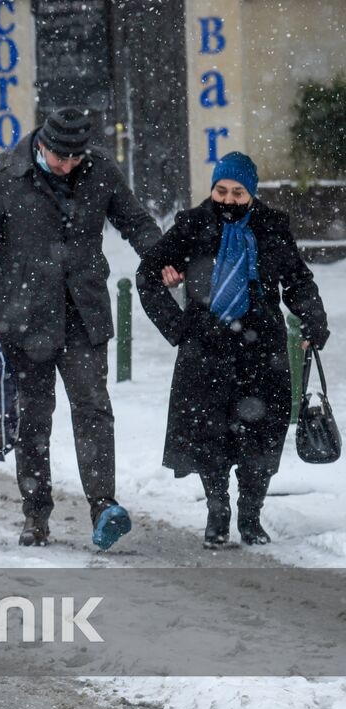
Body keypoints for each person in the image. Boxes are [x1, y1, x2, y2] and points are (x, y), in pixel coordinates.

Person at [0, 107, 161, 549]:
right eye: (59, 158)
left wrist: (163, 257)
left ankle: (103, 506)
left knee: (93, 409)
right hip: (23, 318)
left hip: (83, 314)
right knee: (33, 420)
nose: (67, 166)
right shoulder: (0, 175)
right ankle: (36, 514)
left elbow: (135, 222)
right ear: (42, 144)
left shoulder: (100, 171)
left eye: (75, 158)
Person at [136, 152, 329, 548]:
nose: (228, 199)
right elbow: (147, 276)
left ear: (252, 194)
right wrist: (177, 327)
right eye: (221, 190)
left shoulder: (272, 228)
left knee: (263, 434)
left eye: (238, 192)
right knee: (211, 433)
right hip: (206, 347)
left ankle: (251, 516)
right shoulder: (192, 226)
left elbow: (297, 281)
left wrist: (313, 320)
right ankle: (217, 510)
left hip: (262, 350)